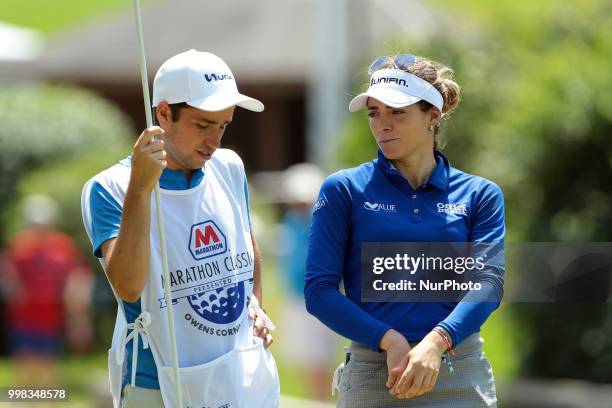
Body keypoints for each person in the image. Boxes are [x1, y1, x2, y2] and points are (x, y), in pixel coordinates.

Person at [81, 50, 279, 408]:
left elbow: (246, 249)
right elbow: (127, 286)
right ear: (164, 113)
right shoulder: (109, 186)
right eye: (203, 125)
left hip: (235, 373)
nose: (215, 141)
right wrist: (140, 189)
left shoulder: (229, 166)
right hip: (152, 383)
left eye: (223, 125)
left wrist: (255, 306)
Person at [305, 54, 505, 407]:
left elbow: (488, 284)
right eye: (374, 113)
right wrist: (388, 339)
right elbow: (319, 291)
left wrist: (437, 341)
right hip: (374, 372)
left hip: (457, 370)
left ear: (433, 116)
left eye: (397, 112)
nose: (383, 125)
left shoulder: (480, 194)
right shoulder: (343, 190)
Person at [1, 194, 94, 387]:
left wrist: (78, 318)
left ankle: (45, 401)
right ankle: (26, 401)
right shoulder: (20, 244)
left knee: (49, 364)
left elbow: (78, 278)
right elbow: (9, 276)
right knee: (24, 362)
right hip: (24, 316)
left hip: (51, 316)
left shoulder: (63, 246)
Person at [277, 163, 339, 400]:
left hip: (318, 298)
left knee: (319, 357)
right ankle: (316, 399)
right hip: (295, 299)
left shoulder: (321, 221)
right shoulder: (291, 221)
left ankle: (320, 400)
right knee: (305, 357)